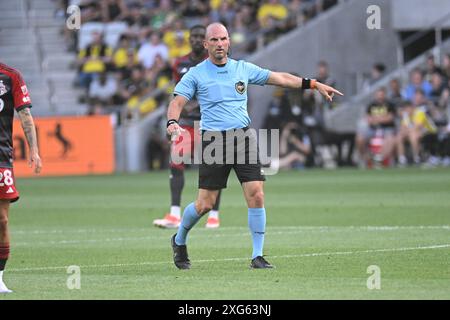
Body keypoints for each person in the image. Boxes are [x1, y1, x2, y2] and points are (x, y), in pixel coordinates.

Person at [166, 23, 342, 269]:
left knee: (257, 194)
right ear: (206, 45)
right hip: (214, 142)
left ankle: (257, 256)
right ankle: (180, 239)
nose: (219, 44)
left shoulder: (242, 68)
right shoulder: (195, 74)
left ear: (229, 42)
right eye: (214, 40)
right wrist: (173, 122)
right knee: (205, 204)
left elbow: (279, 78)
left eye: (223, 39)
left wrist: (313, 84)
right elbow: (177, 102)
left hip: (243, 138)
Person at [153, 25, 223, 230]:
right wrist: (173, 120)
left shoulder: (215, 62)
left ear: (205, 41)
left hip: (210, 122)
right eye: (194, 36)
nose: (196, 39)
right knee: (176, 163)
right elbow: (178, 93)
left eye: (201, 37)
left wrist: (200, 104)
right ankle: (174, 214)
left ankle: (214, 215)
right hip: (186, 124)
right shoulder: (180, 63)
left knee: (213, 167)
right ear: (189, 39)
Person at [0, 62, 42, 293]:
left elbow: (25, 113)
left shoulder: (10, 76)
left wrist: (34, 150)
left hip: (1, 156)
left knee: (2, 220)